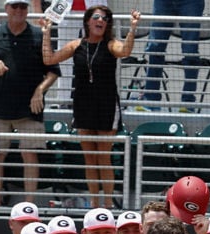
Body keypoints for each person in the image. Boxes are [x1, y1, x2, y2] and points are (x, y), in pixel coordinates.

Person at [42, 6, 141, 208]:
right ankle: (95, 203)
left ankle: (108, 204)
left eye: (105, 18)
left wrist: (132, 29)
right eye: (96, 17)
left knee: (103, 157)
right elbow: (49, 59)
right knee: (89, 157)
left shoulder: (111, 44)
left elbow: (126, 51)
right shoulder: (76, 45)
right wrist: (46, 34)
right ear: (88, 21)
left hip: (105, 105)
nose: (101, 21)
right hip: (83, 104)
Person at [0, 0, 60, 204]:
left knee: (30, 155)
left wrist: (40, 90)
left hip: (30, 108)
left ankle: (29, 204)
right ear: (6, 9)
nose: (19, 10)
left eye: (23, 7)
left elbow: (54, 71)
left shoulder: (39, 35)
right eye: (15, 6)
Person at [138, 0, 204, 110]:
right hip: (163, 2)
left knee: (190, 51)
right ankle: (150, 100)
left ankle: (188, 103)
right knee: (155, 47)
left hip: (191, 2)